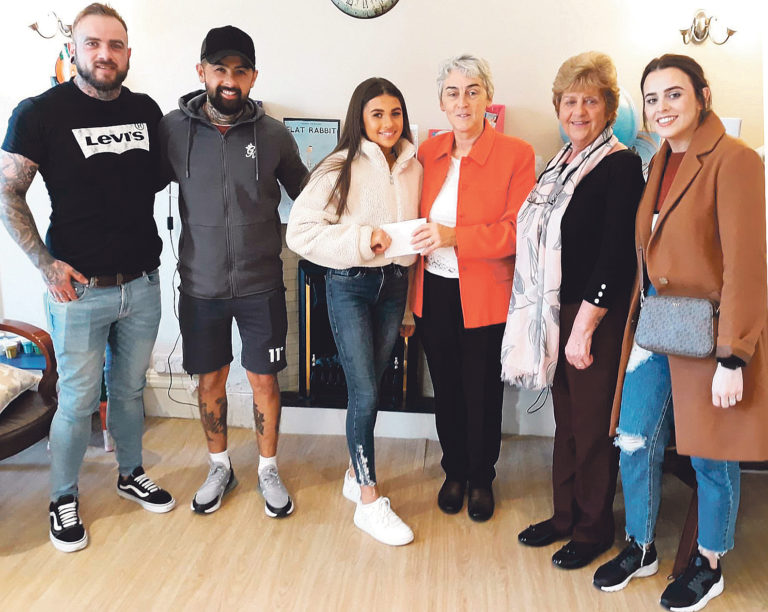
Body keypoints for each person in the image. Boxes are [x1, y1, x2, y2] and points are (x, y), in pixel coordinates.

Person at [592, 54, 767, 611]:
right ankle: (641, 545)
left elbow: (747, 266)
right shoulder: (659, 158)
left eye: (673, 94)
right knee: (634, 438)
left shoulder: (735, 161)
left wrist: (735, 355)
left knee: (710, 454)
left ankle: (709, 562)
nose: (661, 107)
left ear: (702, 96)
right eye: (651, 98)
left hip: (709, 333)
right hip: (656, 323)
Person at [0, 3, 175, 553]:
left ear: (128, 52)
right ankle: (62, 496)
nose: (105, 54)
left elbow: (169, 175)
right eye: (93, 43)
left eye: (115, 45)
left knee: (127, 390)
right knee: (77, 399)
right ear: (73, 49)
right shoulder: (39, 112)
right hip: (77, 291)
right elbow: (8, 190)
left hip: (142, 282)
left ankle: (130, 473)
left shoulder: (147, 111)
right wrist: (44, 263)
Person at [503, 52, 644, 569]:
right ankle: (564, 516)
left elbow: (615, 255)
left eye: (591, 100)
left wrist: (584, 327)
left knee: (590, 425)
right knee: (566, 422)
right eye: (570, 100)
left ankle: (593, 528)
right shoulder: (559, 164)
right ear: (558, 107)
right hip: (553, 312)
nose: (579, 110)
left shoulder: (622, 164)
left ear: (609, 108)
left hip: (591, 318)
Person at [159, 26, 307, 518]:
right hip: (200, 286)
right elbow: (129, 187)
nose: (229, 80)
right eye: (219, 69)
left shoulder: (274, 135)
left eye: (239, 71)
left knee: (264, 380)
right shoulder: (172, 130)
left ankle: (268, 469)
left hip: (261, 283)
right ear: (201, 71)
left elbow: (309, 198)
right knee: (211, 380)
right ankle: (219, 465)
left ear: (253, 77)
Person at [286, 77, 421, 546]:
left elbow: (410, 242)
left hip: (394, 287)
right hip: (350, 287)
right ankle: (368, 499)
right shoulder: (338, 166)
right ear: (360, 119)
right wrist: (363, 240)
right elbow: (300, 233)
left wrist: (407, 309)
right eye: (377, 114)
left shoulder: (412, 165)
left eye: (395, 113)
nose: (388, 123)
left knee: (374, 386)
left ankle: (351, 471)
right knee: (364, 392)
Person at [409, 55, 535, 522]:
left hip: (485, 294)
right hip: (434, 292)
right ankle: (454, 471)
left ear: (487, 96)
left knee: (482, 391)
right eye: (453, 92)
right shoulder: (427, 152)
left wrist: (455, 236)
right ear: (442, 102)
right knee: (446, 389)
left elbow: (517, 232)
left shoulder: (516, 154)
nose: (463, 101)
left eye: (472, 91)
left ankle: (482, 477)